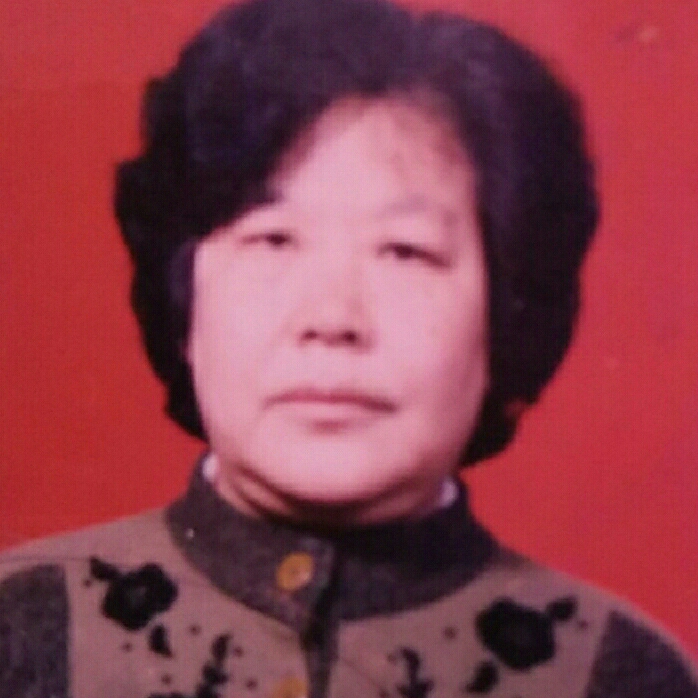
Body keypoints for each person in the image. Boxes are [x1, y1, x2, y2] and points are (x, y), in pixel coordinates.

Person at [1, 0, 696, 696]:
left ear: (505, 314)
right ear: (184, 302)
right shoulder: (24, 628)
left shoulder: (619, 673)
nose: (333, 318)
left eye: (405, 252)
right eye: (273, 240)